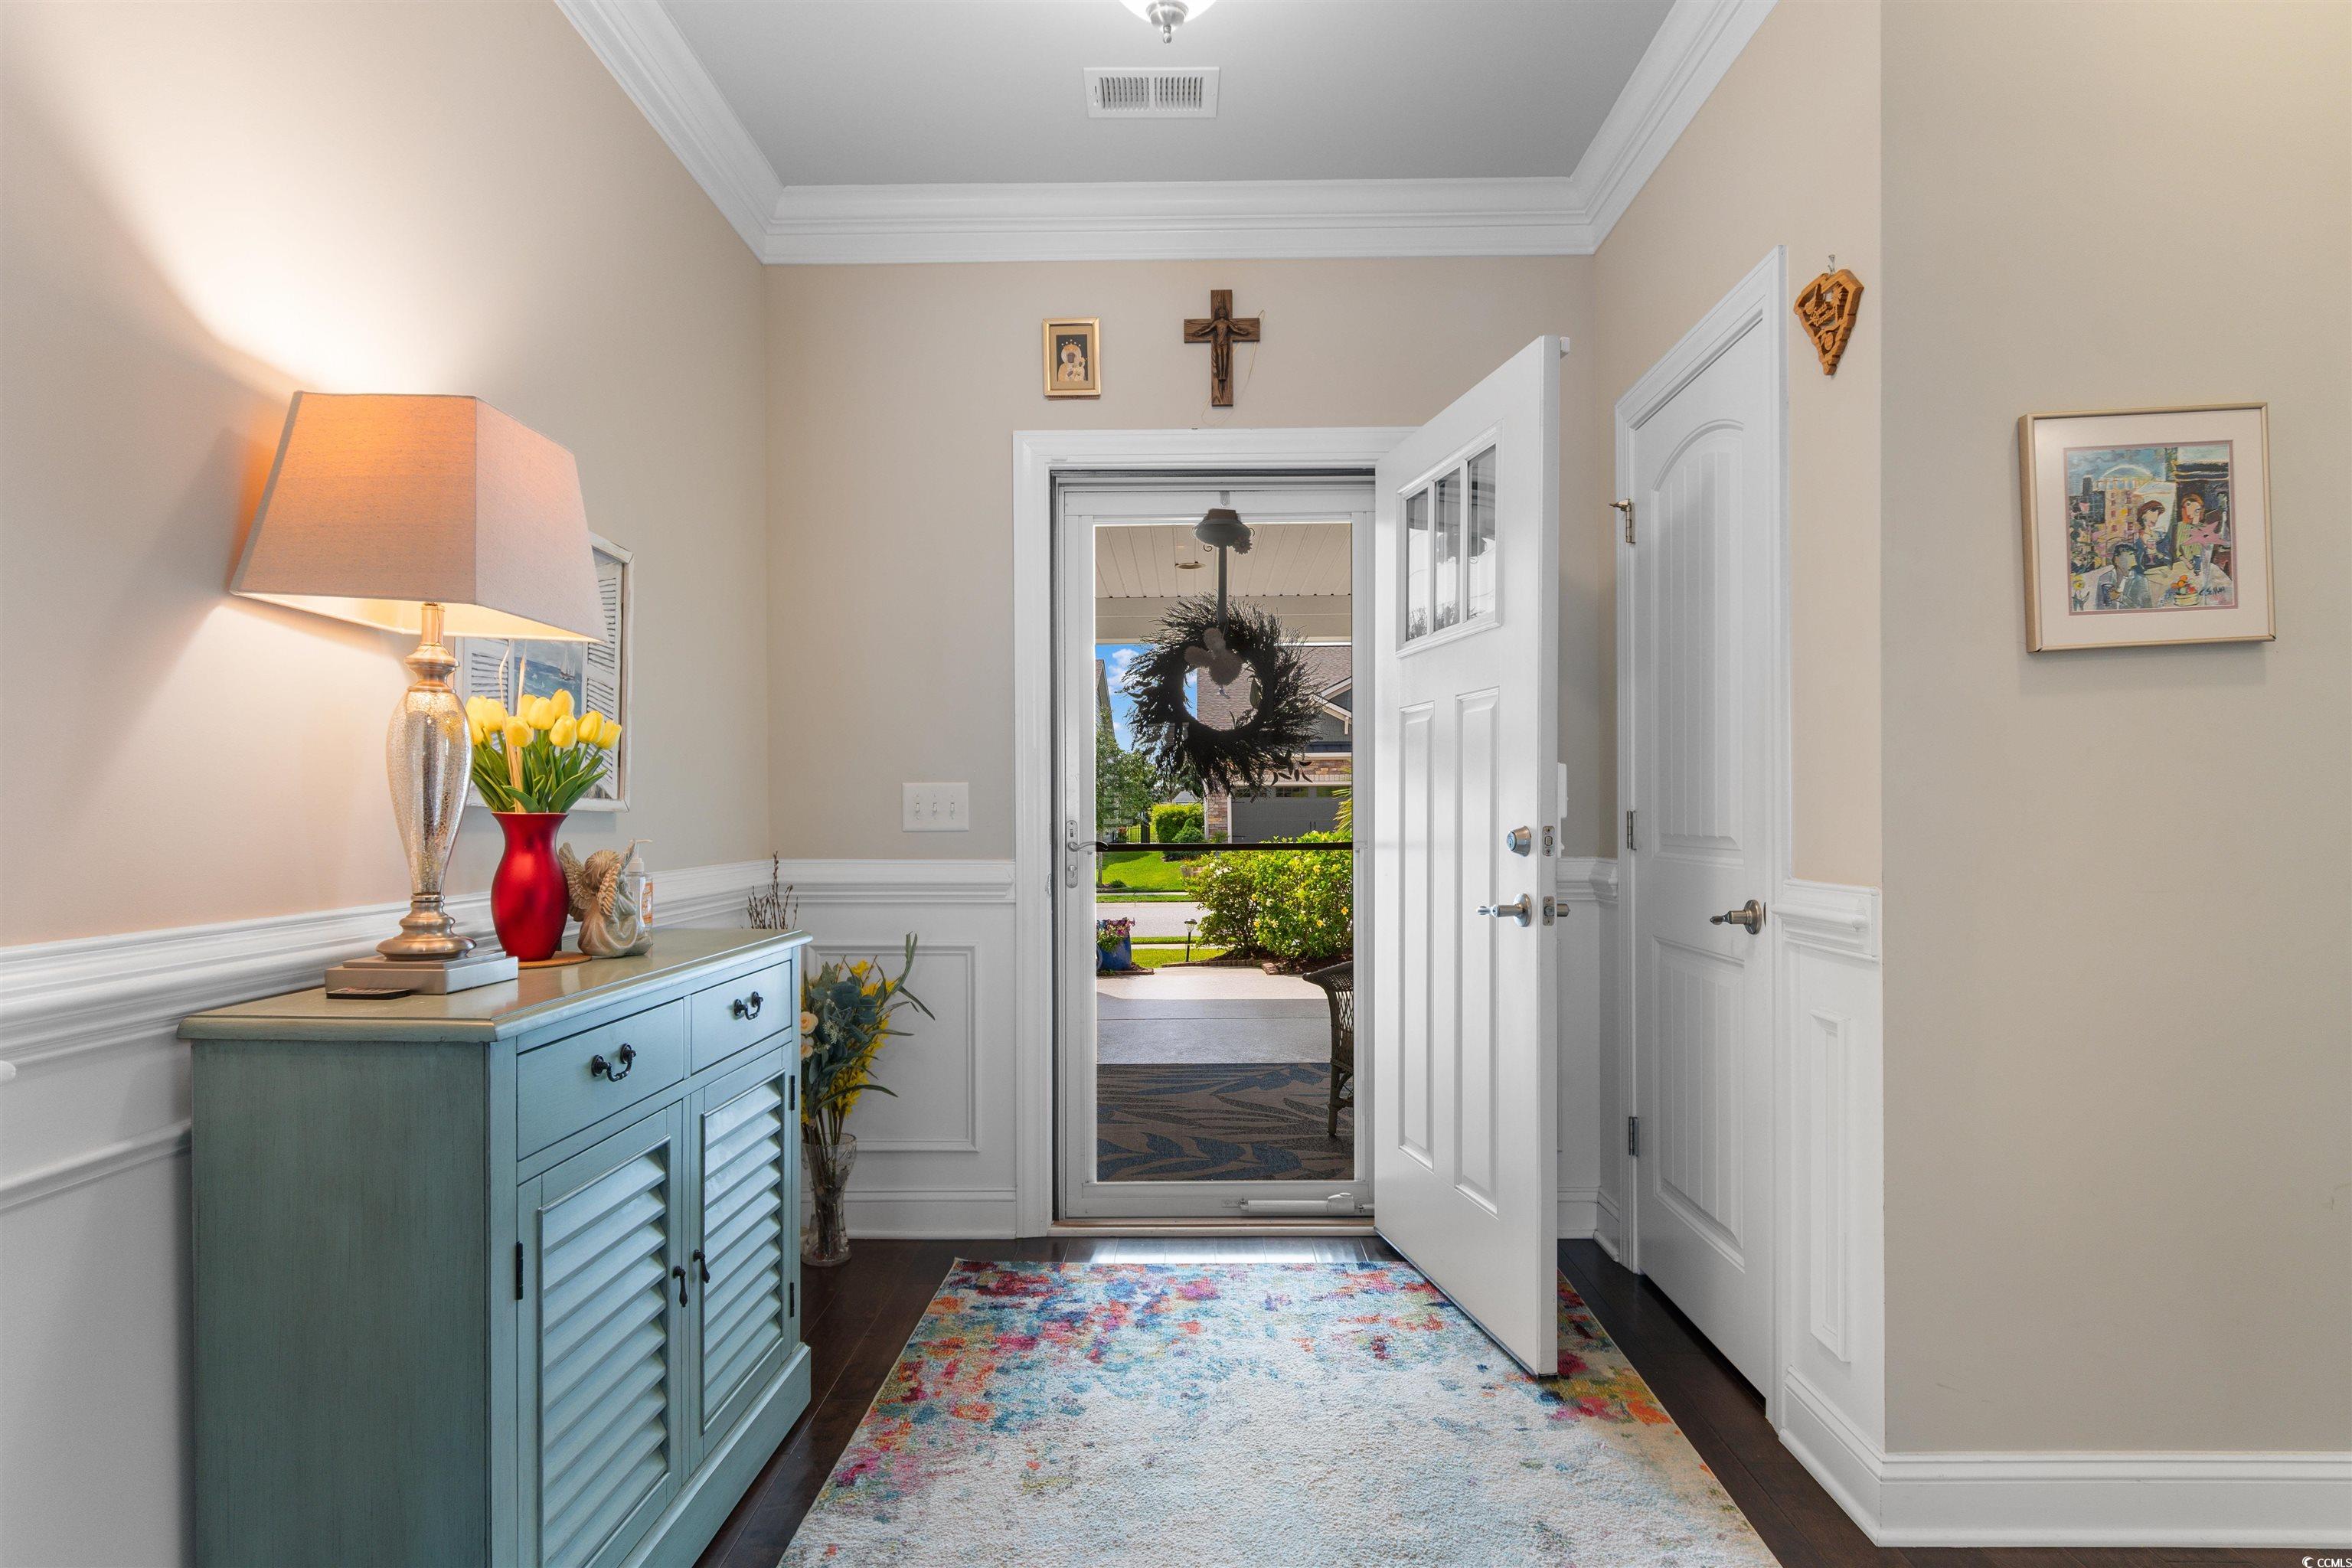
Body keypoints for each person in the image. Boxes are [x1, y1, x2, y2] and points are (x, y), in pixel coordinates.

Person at [2095, 541, 2156, 609]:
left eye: (2134, 558)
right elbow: (2099, 606)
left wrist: (2120, 597)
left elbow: (2147, 608)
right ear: (2117, 560)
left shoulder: (2141, 580)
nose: (2134, 563)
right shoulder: (2104, 578)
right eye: (2129, 558)